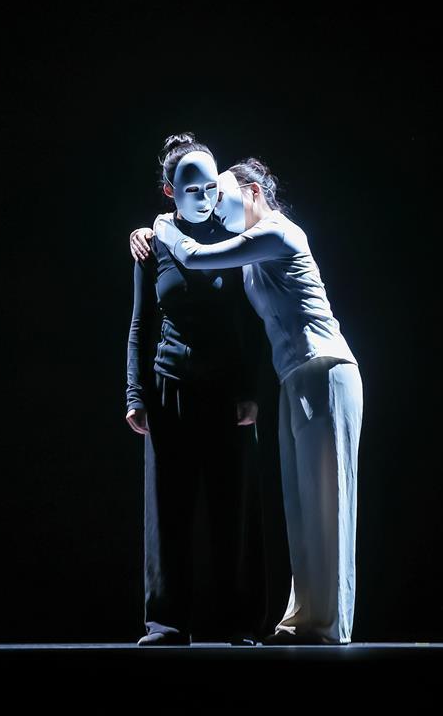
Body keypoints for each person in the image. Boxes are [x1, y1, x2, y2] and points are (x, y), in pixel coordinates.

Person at [132, 157, 363, 645]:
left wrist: (158, 225)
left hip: (325, 367)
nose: (213, 204)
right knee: (301, 504)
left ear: (252, 192)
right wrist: (147, 234)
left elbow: (196, 257)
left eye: (220, 193)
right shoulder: (251, 247)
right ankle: (304, 618)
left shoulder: (275, 233)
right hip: (294, 375)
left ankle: (330, 625)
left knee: (329, 502)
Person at [126, 133, 266, 646]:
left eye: (210, 187)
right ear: (170, 191)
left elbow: (249, 322)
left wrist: (250, 389)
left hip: (226, 392)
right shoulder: (154, 244)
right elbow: (141, 322)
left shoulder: (233, 236)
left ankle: (241, 622)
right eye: (191, 189)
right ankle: (167, 622)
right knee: (169, 511)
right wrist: (134, 393)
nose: (204, 197)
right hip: (171, 388)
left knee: (233, 507)